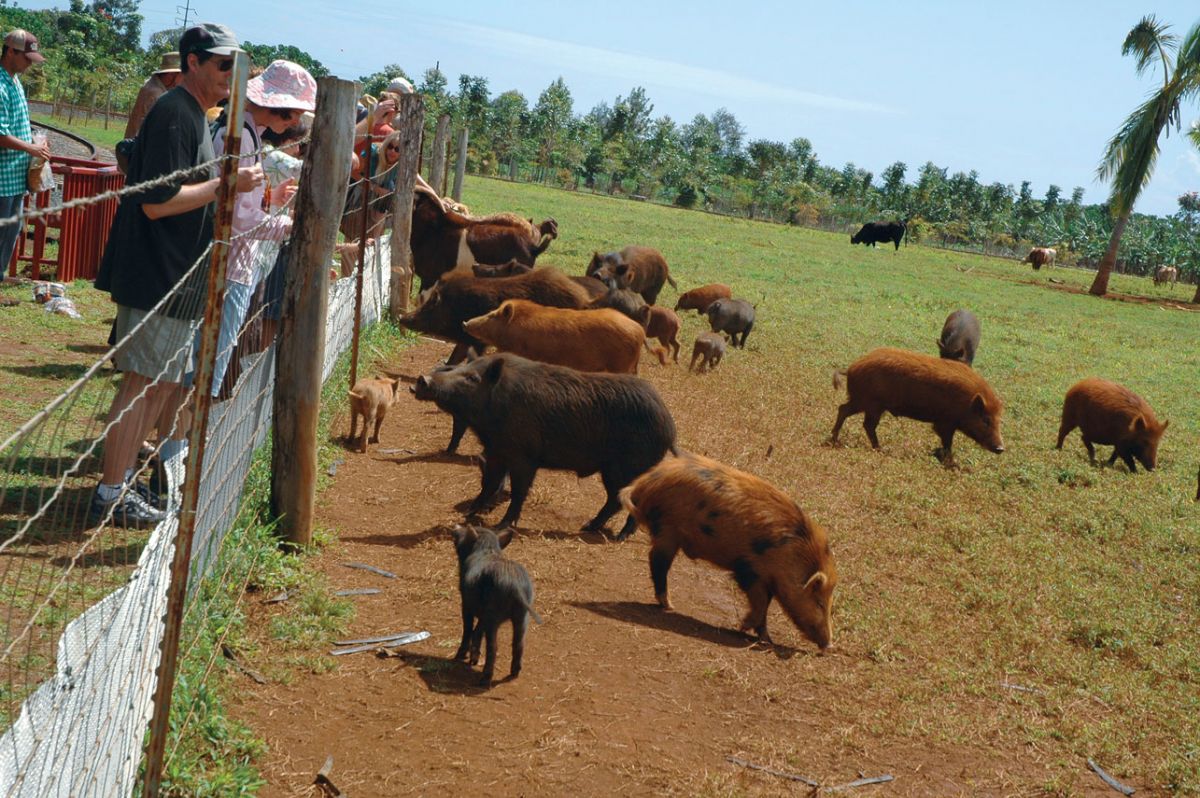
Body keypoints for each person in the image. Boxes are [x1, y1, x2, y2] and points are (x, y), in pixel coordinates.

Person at [90, 23, 263, 528]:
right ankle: (108, 494)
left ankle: (119, 484)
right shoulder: (173, 116)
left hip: (178, 278)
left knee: (159, 383)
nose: (231, 76)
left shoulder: (194, 115)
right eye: (223, 65)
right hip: (157, 276)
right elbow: (156, 205)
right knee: (142, 384)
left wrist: (221, 184)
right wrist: (226, 185)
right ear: (193, 62)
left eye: (236, 67)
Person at [199, 59, 315, 397]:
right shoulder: (240, 139)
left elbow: (239, 204)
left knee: (211, 357)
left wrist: (269, 199)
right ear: (275, 105)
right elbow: (236, 218)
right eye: (292, 112)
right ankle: (181, 446)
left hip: (233, 261)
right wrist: (291, 227)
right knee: (212, 360)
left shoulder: (246, 133)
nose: (295, 121)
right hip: (230, 265)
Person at [0, 29, 50, 271]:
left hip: (14, 180)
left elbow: (17, 125)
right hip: (2, 181)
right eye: (26, 58)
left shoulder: (15, 82)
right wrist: (32, 148)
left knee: (9, 237)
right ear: (10, 52)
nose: (29, 64)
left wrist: (35, 141)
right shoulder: (0, 85)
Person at [124, 51, 182, 138]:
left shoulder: (152, 85)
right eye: (180, 76)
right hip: (139, 146)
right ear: (171, 75)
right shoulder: (156, 94)